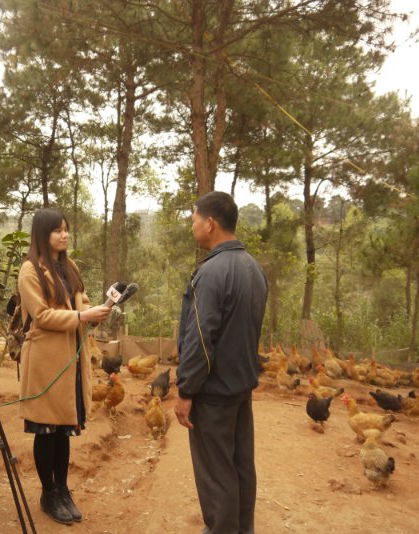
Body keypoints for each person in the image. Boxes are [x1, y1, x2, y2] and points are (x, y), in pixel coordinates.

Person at [174, 191, 268, 534]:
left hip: (213, 395)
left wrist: (186, 391)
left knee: (218, 478)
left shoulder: (212, 272)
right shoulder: (253, 268)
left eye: (195, 220)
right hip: (241, 390)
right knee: (242, 469)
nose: (193, 227)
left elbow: (200, 340)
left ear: (210, 223)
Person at [17, 208, 112, 525]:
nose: (64, 234)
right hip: (46, 362)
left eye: (66, 229)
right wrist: (82, 317)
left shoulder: (69, 267)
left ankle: (63, 489)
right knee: (46, 429)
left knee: (63, 432)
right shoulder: (30, 270)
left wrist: (97, 311)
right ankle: (48, 493)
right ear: (42, 234)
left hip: (72, 361)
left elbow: (81, 306)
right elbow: (41, 315)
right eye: (57, 230)